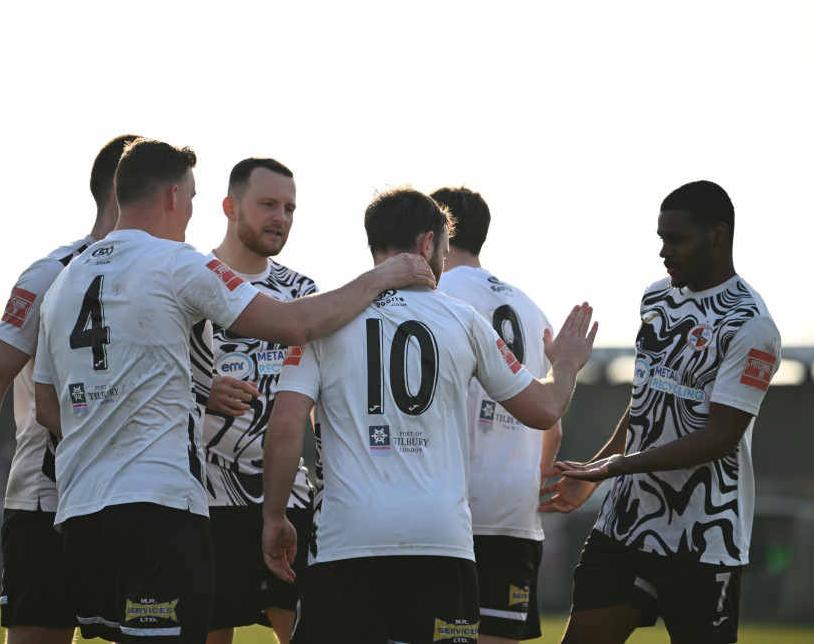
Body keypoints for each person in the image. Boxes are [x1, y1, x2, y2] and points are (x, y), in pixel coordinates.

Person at [31, 138, 435, 643]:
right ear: (174, 196)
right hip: (159, 503)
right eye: (193, 199)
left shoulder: (66, 280)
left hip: (81, 507)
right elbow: (291, 323)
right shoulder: (176, 262)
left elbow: (48, 404)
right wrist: (383, 276)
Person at [261, 187, 598, 644]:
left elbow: (283, 430)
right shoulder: (463, 319)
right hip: (443, 543)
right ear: (427, 244)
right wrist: (566, 365)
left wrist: (275, 517)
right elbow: (544, 410)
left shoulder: (324, 320)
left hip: (350, 541)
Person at [541, 181, 782, 644]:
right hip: (625, 525)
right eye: (661, 239)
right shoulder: (657, 298)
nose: (664, 252)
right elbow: (646, 402)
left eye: (678, 239)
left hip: (704, 541)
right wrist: (597, 468)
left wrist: (616, 466)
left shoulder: (752, 326)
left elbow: (721, 436)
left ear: (719, 235)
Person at [0, 134, 139, 644]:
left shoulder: (171, 276)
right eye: (175, 194)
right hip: (46, 499)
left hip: (139, 497)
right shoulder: (51, 273)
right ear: (126, 192)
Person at [195, 158, 317, 644]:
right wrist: (204, 391)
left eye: (289, 208)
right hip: (205, 497)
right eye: (267, 204)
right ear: (230, 207)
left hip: (286, 497)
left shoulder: (301, 293)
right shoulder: (191, 283)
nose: (280, 218)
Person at [432, 186, 558, 644]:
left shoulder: (434, 294)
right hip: (515, 511)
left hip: (449, 508)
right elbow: (552, 426)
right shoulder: (532, 308)